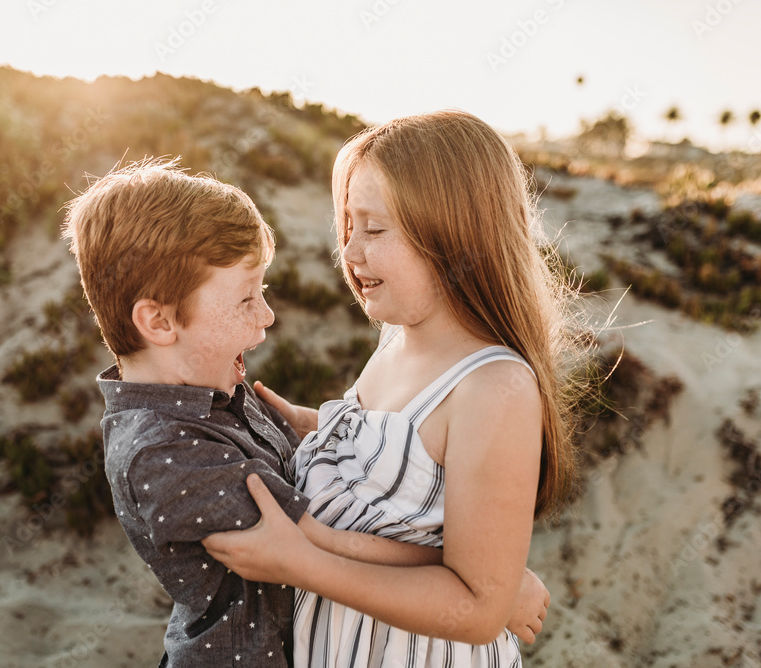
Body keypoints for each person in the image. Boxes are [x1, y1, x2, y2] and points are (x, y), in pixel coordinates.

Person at [61, 157, 551, 667]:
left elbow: (375, 453)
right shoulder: (163, 451)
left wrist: (316, 426)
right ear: (159, 322)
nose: (268, 316)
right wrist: (494, 582)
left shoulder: (212, 392)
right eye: (248, 298)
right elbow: (312, 537)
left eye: (263, 293)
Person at [203, 110, 582, 667]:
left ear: (457, 237)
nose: (350, 254)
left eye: (375, 230)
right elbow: (399, 453)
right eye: (348, 228)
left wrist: (301, 564)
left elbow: (478, 609)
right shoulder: (395, 341)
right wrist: (312, 426)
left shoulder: (493, 387)